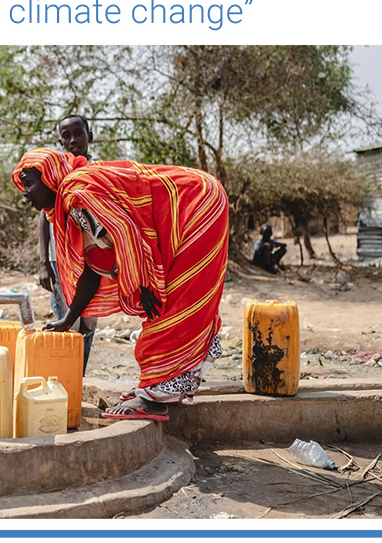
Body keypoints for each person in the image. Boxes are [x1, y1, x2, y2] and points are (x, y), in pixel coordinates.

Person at [13, 148, 228, 421]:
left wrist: (144, 281)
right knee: (169, 303)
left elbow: (125, 229)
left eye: (29, 182)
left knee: (174, 304)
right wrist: (69, 318)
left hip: (194, 204)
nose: (25, 191)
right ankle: (161, 388)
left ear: (49, 177)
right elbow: (94, 266)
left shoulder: (76, 194)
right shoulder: (74, 201)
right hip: (190, 203)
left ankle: (153, 398)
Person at [39, 115, 98, 376]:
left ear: (90, 135)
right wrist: (44, 263)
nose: (73, 140)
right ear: (61, 140)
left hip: (95, 260)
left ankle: (78, 381)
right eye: (66, 135)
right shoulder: (57, 174)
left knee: (88, 324)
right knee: (66, 325)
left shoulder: (101, 172)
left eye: (78, 133)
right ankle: (63, 383)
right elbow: (44, 217)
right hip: (60, 260)